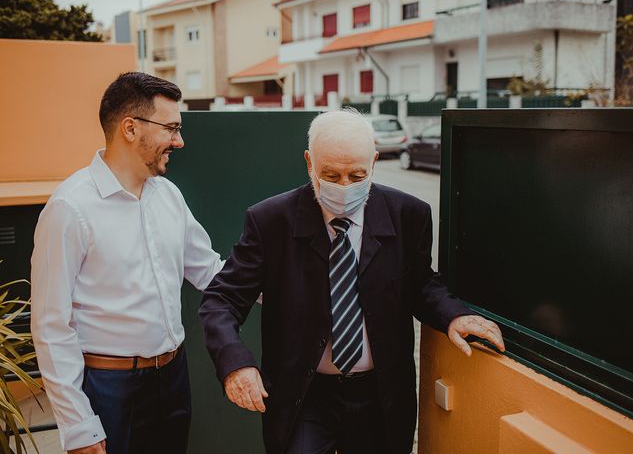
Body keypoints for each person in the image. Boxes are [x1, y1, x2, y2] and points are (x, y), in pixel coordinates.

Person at [199, 108, 505, 454]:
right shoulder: (270, 221)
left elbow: (421, 284)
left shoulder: (409, 214)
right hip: (305, 394)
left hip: (380, 393)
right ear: (308, 162)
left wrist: (454, 315)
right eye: (330, 174)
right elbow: (221, 300)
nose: (344, 186)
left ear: (374, 162)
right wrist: (235, 363)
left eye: (357, 175)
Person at [31, 72, 223, 454]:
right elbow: (52, 326)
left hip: (172, 378)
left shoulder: (168, 195)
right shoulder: (69, 208)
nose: (179, 141)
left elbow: (210, 271)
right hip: (108, 390)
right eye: (171, 128)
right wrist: (78, 424)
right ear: (130, 128)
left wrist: (286, 290)